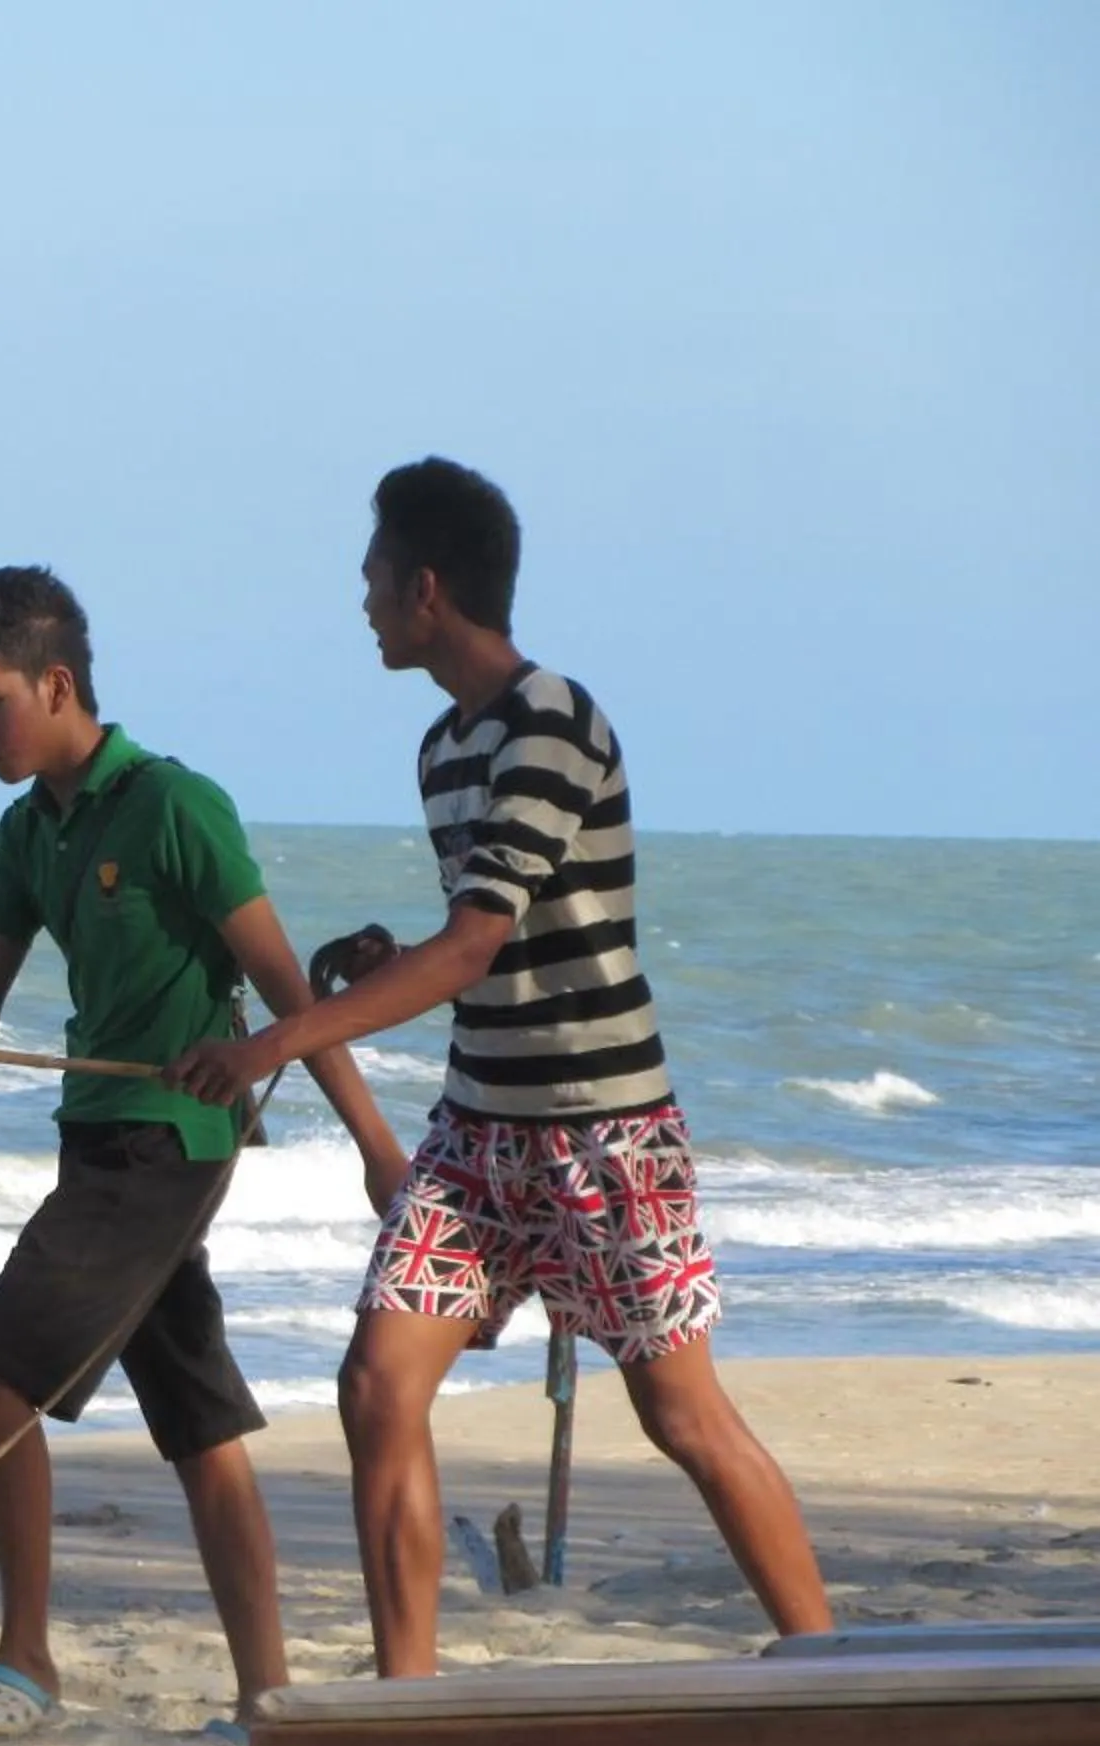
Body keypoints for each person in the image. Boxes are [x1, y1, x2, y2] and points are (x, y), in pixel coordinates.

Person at [166, 457, 834, 1675]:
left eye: (371, 577)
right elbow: (482, 931)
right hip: (479, 1132)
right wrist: (383, 957)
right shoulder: (442, 748)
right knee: (377, 1385)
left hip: (605, 1133)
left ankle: (829, 1660)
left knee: (681, 1416)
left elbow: (473, 947)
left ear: (426, 588)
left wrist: (278, 1037)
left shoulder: (554, 721)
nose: (359, 601)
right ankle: (407, 1693)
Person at [0, 565, 412, 1739]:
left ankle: (27, 1661)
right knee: (199, 1421)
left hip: (175, 1139)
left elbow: (279, 988)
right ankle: (270, 1696)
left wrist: (376, 1146)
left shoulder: (175, 804)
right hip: (96, 1138)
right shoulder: (28, 832)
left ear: (56, 682)